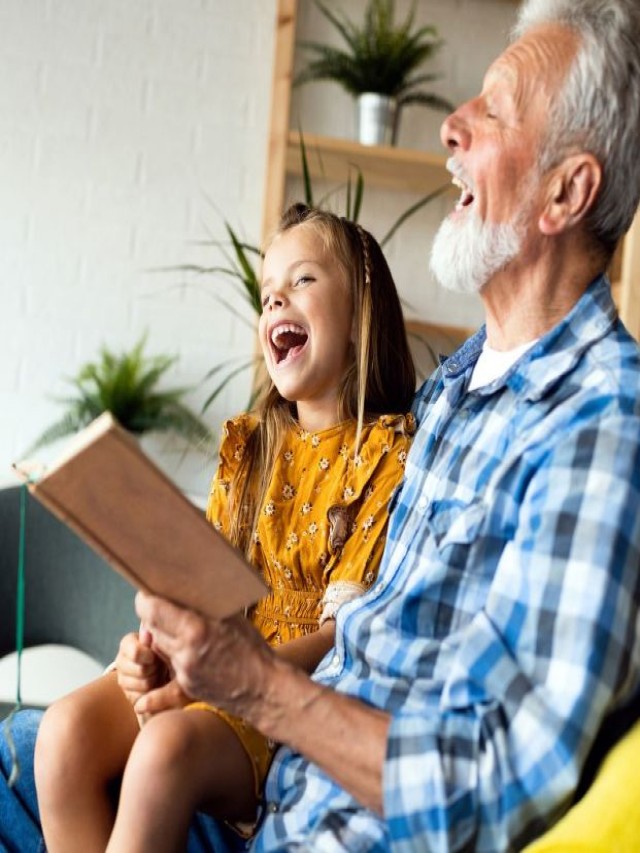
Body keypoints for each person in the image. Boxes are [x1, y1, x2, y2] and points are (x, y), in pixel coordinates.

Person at [2, 0, 640, 850]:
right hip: (276, 795)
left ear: (567, 190)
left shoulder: (600, 426)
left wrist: (252, 685)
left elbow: (491, 783)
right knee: (42, 740)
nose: (451, 127)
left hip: (322, 822)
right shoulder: (456, 393)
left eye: (493, 110)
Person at [27, 204, 416, 853]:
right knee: (62, 732)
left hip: (286, 692)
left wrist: (232, 672)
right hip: (206, 663)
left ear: (360, 313)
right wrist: (148, 653)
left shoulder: (387, 455)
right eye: (268, 295)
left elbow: (346, 632)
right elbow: (199, 592)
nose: (277, 302)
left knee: (163, 750)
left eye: (303, 281)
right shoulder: (249, 445)